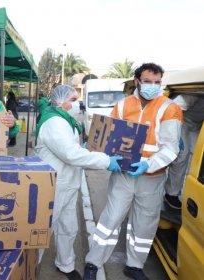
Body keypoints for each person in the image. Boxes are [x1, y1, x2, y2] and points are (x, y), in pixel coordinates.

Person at [83, 63, 183, 280]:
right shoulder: (122, 106)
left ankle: (134, 265)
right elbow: (110, 136)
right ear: (137, 81)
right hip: (123, 174)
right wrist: (105, 154)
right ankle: (93, 262)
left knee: (144, 224)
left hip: (152, 177)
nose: (153, 86)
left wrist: (149, 164)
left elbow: (171, 148)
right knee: (111, 217)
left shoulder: (169, 108)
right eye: (148, 81)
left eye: (157, 82)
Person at [35, 84, 123, 280]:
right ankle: (28, 267)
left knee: (68, 227)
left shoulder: (66, 120)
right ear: (59, 101)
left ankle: (65, 264)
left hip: (67, 183)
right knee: (42, 230)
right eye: (73, 101)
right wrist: (106, 161)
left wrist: (85, 146)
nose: (77, 105)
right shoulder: (54, 122)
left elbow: (71, 147)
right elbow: (70, 154)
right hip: (54, 185)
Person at [164, 95, 204, 209]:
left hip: (197, 126)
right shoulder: (194, 94)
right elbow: (172, 109)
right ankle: (171, 194)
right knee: (182, 155)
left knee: (197, 158)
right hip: (182, 123)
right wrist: (173, 132)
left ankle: (192, 193)